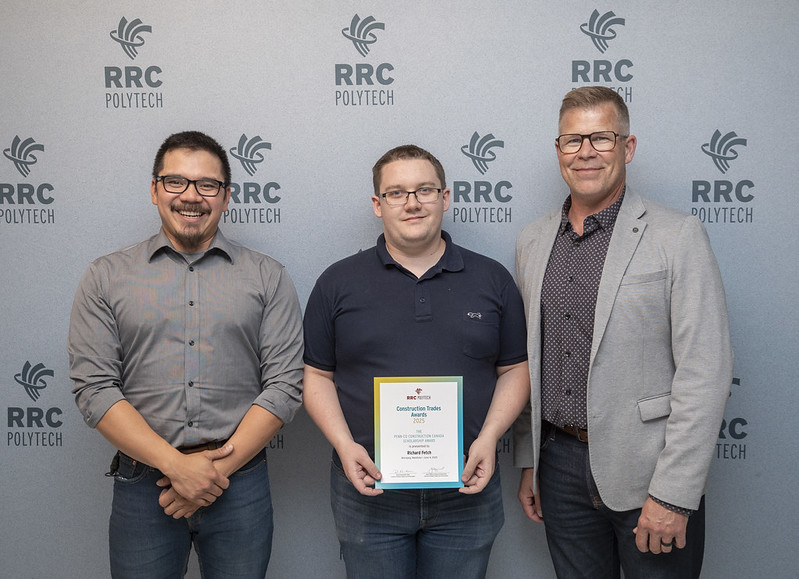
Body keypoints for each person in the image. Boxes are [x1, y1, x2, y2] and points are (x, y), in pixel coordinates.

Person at [513, 86, 733, 578]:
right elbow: (531, 360)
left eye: (602, 138)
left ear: (627, 148)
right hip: (560, 467)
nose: (586, 151)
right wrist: (530, 457)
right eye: (573, 140)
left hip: (650, 471)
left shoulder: (678, 236)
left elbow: (706, 370)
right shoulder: (531, 240)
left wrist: (673, 492)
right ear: (558, 152)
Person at [67, 131, 304, 578]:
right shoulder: (105, 277)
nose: (191, 196)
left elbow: (285, 385)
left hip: (240, 481)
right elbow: (95, 389)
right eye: (176, 182)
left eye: (207, 185)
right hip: (144, 484)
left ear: (227, 196)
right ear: (155, 190)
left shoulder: (268, 277)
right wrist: (177, 467)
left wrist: (209, 476)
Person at [303, 144, 529, 578]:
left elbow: (515, 369)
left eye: (424, 190)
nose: (411, 202)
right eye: (396, 192)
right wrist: (344, 445)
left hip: (467, 488)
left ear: (445, 198)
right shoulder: (337, 282)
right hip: (368, 489)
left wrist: (490, 438)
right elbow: (315, 376)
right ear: (377, 204)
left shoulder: (492, 279)